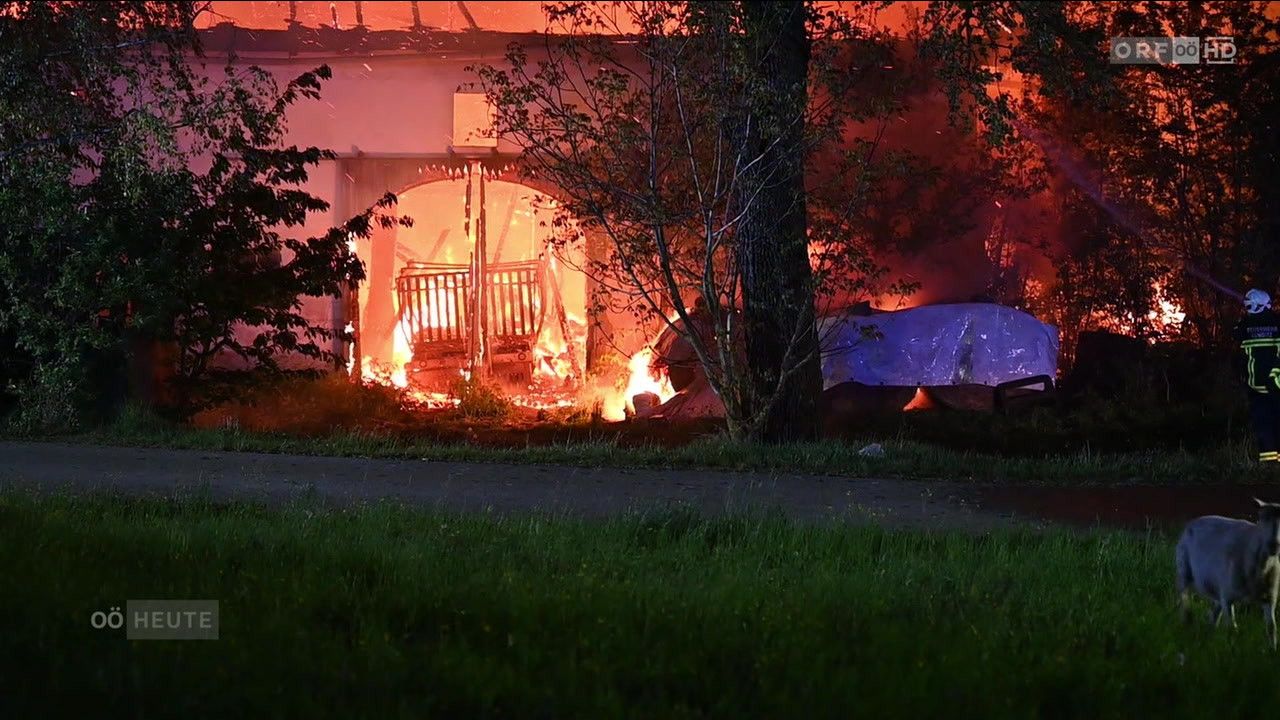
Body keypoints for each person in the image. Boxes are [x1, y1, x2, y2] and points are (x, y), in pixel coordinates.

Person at [1235, 289, 1280, 463]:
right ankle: (1271, 463)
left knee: (1264, 424)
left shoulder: (1245, 325)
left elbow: (1236, 336)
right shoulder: (1276, 323)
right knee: (1272, 423)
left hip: (1257, 386)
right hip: (1273, 385)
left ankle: (1269, 463)